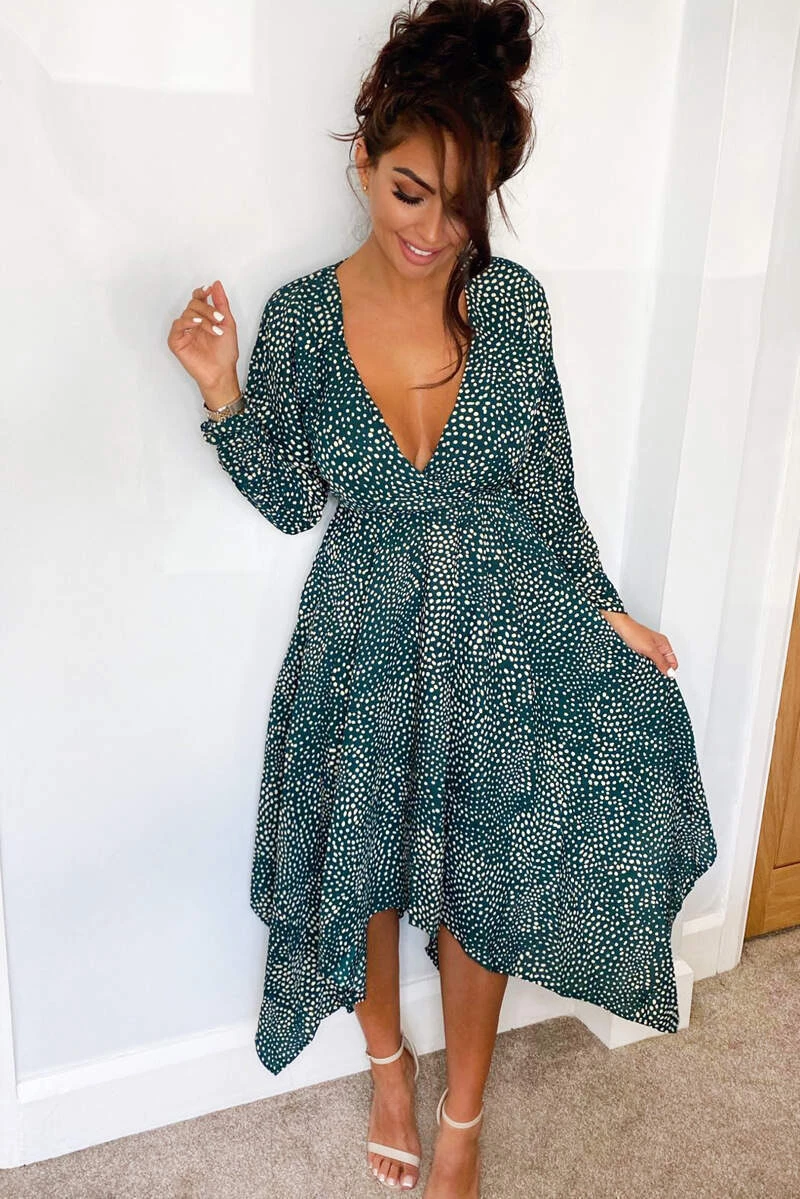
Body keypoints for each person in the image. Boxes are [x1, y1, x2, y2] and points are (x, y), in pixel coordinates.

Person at [168, 1, 719, 1194]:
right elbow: (293, 501)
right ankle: (387, 1066)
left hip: (499, 630)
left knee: (488, 876)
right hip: (361, 636)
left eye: (463, 204)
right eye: (411, 192)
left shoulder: (511, 305)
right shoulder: (302, 319)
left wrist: (602, 610)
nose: (433, 230)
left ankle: (461, 1110)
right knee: (361, 871)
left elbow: (547, 489)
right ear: (362, 161)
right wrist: (221, 392)